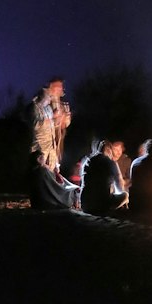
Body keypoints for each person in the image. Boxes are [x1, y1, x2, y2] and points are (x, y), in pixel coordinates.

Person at [28, 81, 78, 210]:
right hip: (40, 146)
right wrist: (54, 118)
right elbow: (36, 124)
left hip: (51, 146)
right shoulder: (34, 107)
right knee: (41, 174)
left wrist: (61, 119)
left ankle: (51, 200)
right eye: (48, 96)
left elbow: (56, 125)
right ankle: (41, 201)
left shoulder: (48, 108)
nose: (50, 98)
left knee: (52, 172)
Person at [80, 139, 128, 217]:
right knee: (125, 195)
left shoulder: (87, 161)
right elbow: (119, 188)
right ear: (109, 151)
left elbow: (82, 181)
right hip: (101, 207)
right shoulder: (111, 163)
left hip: (85, 205)